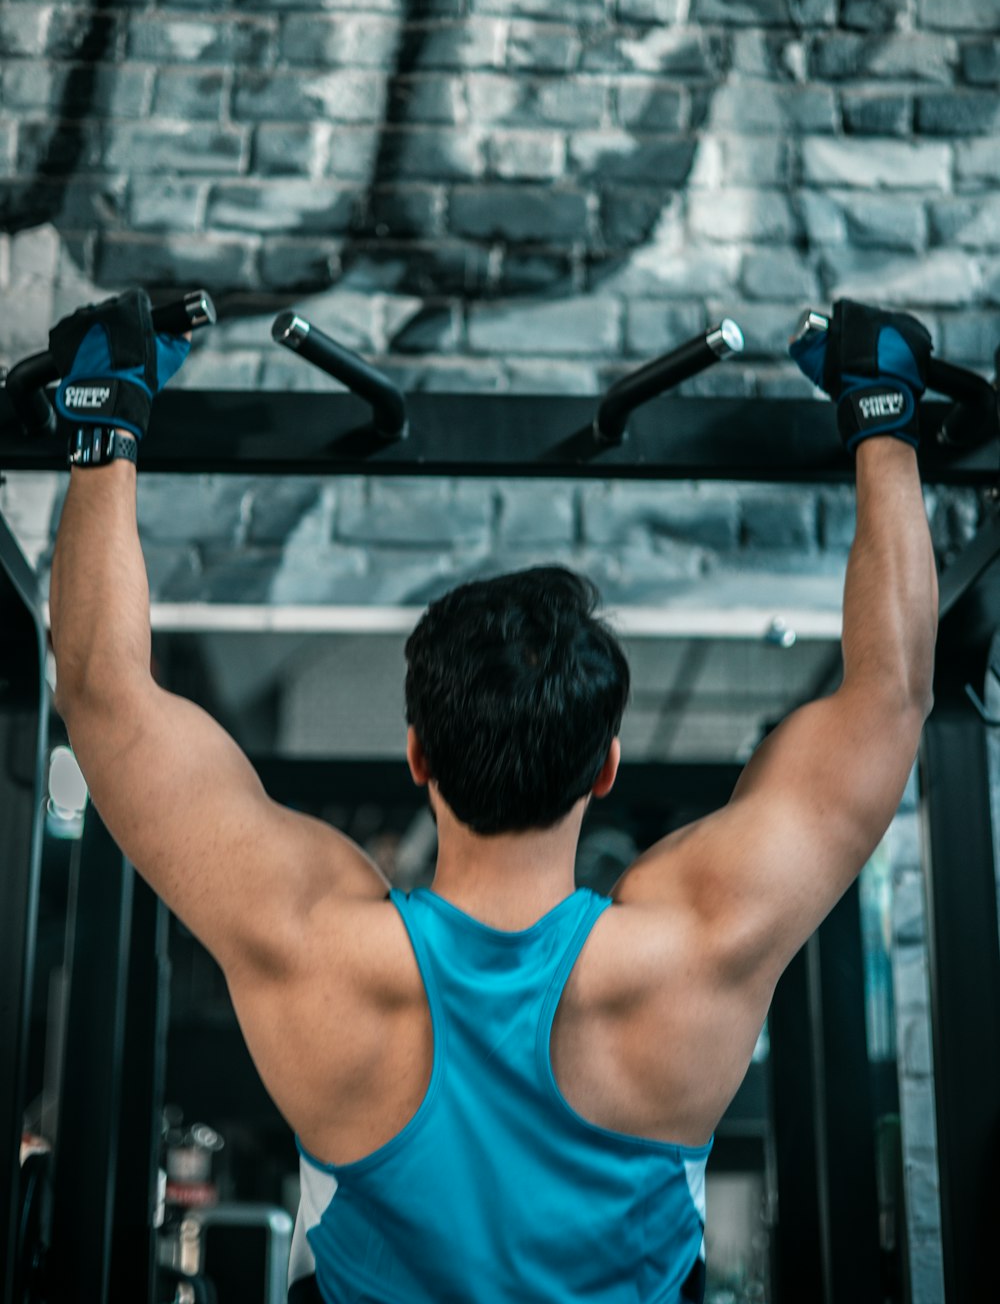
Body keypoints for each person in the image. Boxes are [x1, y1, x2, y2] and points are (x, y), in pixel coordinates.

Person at [48, 293, 937, 1304]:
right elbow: (889, 695)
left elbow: (100, 692)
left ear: (416, 752)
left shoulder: (314, 943)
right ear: (605, 766)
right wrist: (883, 423)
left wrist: (103, 419)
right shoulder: (696, 939)